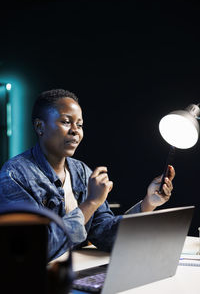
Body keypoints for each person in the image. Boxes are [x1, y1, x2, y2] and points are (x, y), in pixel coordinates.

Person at [0, 89, 175, 262]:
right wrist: (91, 202)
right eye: (66, 122)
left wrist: (148, 203)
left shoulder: (83, 172)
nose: (75, 131)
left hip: (75, 272)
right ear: (40, 126)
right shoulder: (14, 174)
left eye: (80, 124)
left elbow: (104, 234)